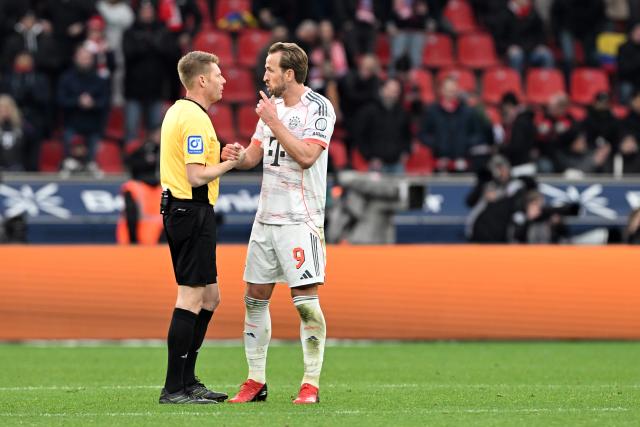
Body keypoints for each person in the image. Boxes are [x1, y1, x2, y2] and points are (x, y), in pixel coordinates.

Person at [221, 42, 336, 405]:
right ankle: (255, 381)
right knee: (254, 299)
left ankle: (310, 384)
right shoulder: (270, 110)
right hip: (266, 219)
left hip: (300, 219)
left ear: (289, 73)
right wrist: (237, 156)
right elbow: (256, 155)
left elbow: (305, 156)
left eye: (270, 69)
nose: (264, 75)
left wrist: (273, 120)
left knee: (304, 302)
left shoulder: (318, 108)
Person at [158, 50, 245, 404]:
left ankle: (188, 380)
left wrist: (219, 156)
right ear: (202, 80)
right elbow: (195, 175)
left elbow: (192, 164)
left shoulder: (181, 112)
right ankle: (174, 387)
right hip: (189, 211)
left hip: (187, 210)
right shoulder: (194, 118)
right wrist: (231, 165)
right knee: (192, 296)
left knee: (211, 296)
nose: (225, 80)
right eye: (219, 75)